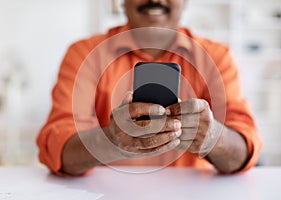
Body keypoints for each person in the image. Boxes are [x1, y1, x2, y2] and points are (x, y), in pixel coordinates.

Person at [37, 0, 262, 176]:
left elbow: (245, 150)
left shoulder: (216, 57)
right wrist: (112, 140)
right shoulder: (84, 54)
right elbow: (56, 149)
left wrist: (213, 136)